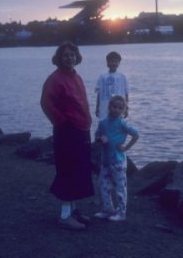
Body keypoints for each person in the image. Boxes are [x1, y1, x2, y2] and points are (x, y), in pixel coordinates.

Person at [41, 41, 94, 231]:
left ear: (76, 57)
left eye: (72, 54)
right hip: (67, 131)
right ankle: (64, 216)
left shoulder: (75, 76)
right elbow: (47, 104)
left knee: (79, 171)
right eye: (65, 55)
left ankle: (72, 210)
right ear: (59, 58)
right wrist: (63, 122)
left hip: (81, 130)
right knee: (68, 171)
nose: (69, 57)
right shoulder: (55, 79)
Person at [94, 95, 139, 222]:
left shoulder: (122, 123)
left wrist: (126, 148)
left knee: (120, 188)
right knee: (103, 186)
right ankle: (107, 210)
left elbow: (136, 135)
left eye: (120, 108)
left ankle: (121, 212)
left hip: (118, 162)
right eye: (114, 107)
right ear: (109, 107)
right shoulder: (103, 123)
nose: (116, 110)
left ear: (124, 110)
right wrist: (100, 139)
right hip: (105, 161)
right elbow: (97, 136)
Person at [95, 51, 129, 121]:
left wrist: (126, 109)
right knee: (104, 125)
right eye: (111, 61)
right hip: (105, 107)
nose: (113, 63)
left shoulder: (122, 77)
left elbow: (126, 93)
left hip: (118, 108)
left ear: (119, 63)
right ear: (107, 63)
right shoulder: (102, 77)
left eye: (116, 62)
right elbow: (99, 93)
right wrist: (97, 108)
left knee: (118, 125)